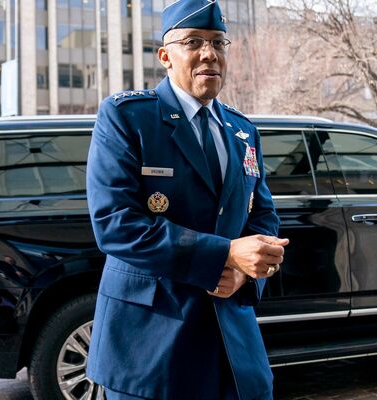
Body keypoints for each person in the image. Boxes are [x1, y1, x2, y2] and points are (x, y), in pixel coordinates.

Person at [85, 0, 288, 398]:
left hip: (233, 344)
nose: (209, 53)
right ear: (165, 56)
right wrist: (225, 254)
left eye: (218, 42)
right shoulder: (127, 117)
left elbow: (262, 217)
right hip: (151, 349)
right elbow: (115, 225)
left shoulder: (243, 130)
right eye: (193, 42)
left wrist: (246, 274)